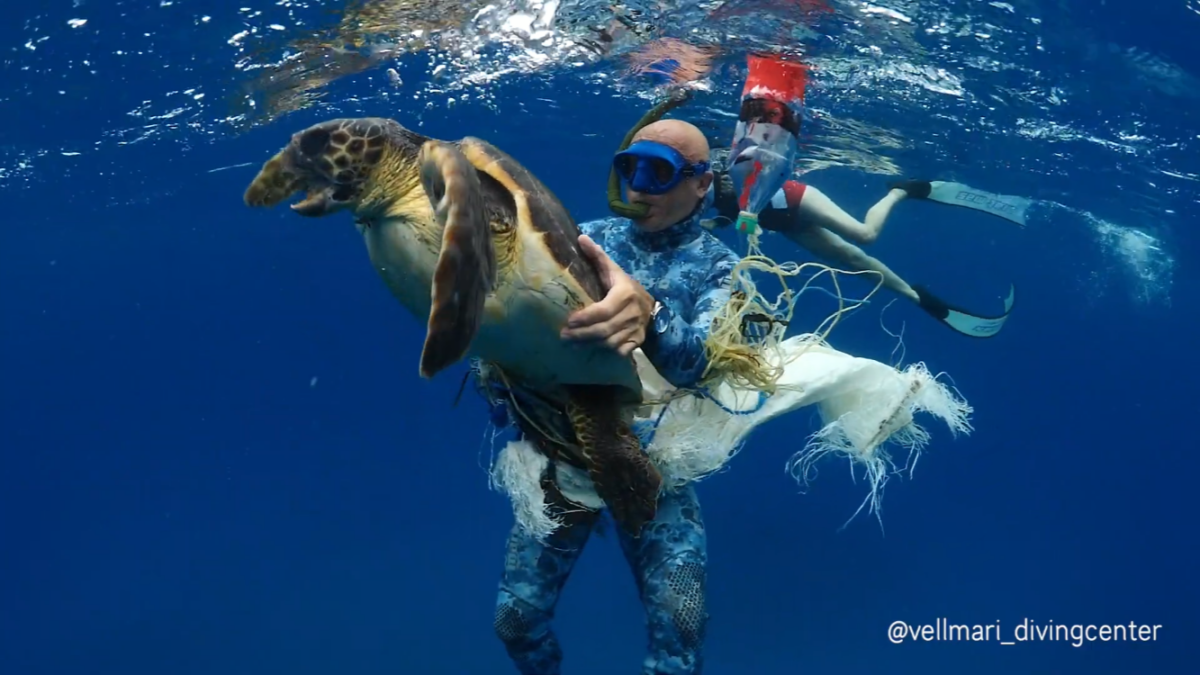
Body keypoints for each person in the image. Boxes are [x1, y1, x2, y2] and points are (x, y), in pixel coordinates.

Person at [489, 117, 737, 675]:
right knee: (515, 620)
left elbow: (698, 364)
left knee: (683, 620)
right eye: (630, 168)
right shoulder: (587, 239)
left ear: (701, 183)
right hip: (562, 457)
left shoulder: (720, 266)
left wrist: (649, 312)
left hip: (660, 468)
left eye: (660, 171)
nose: (641, 186)